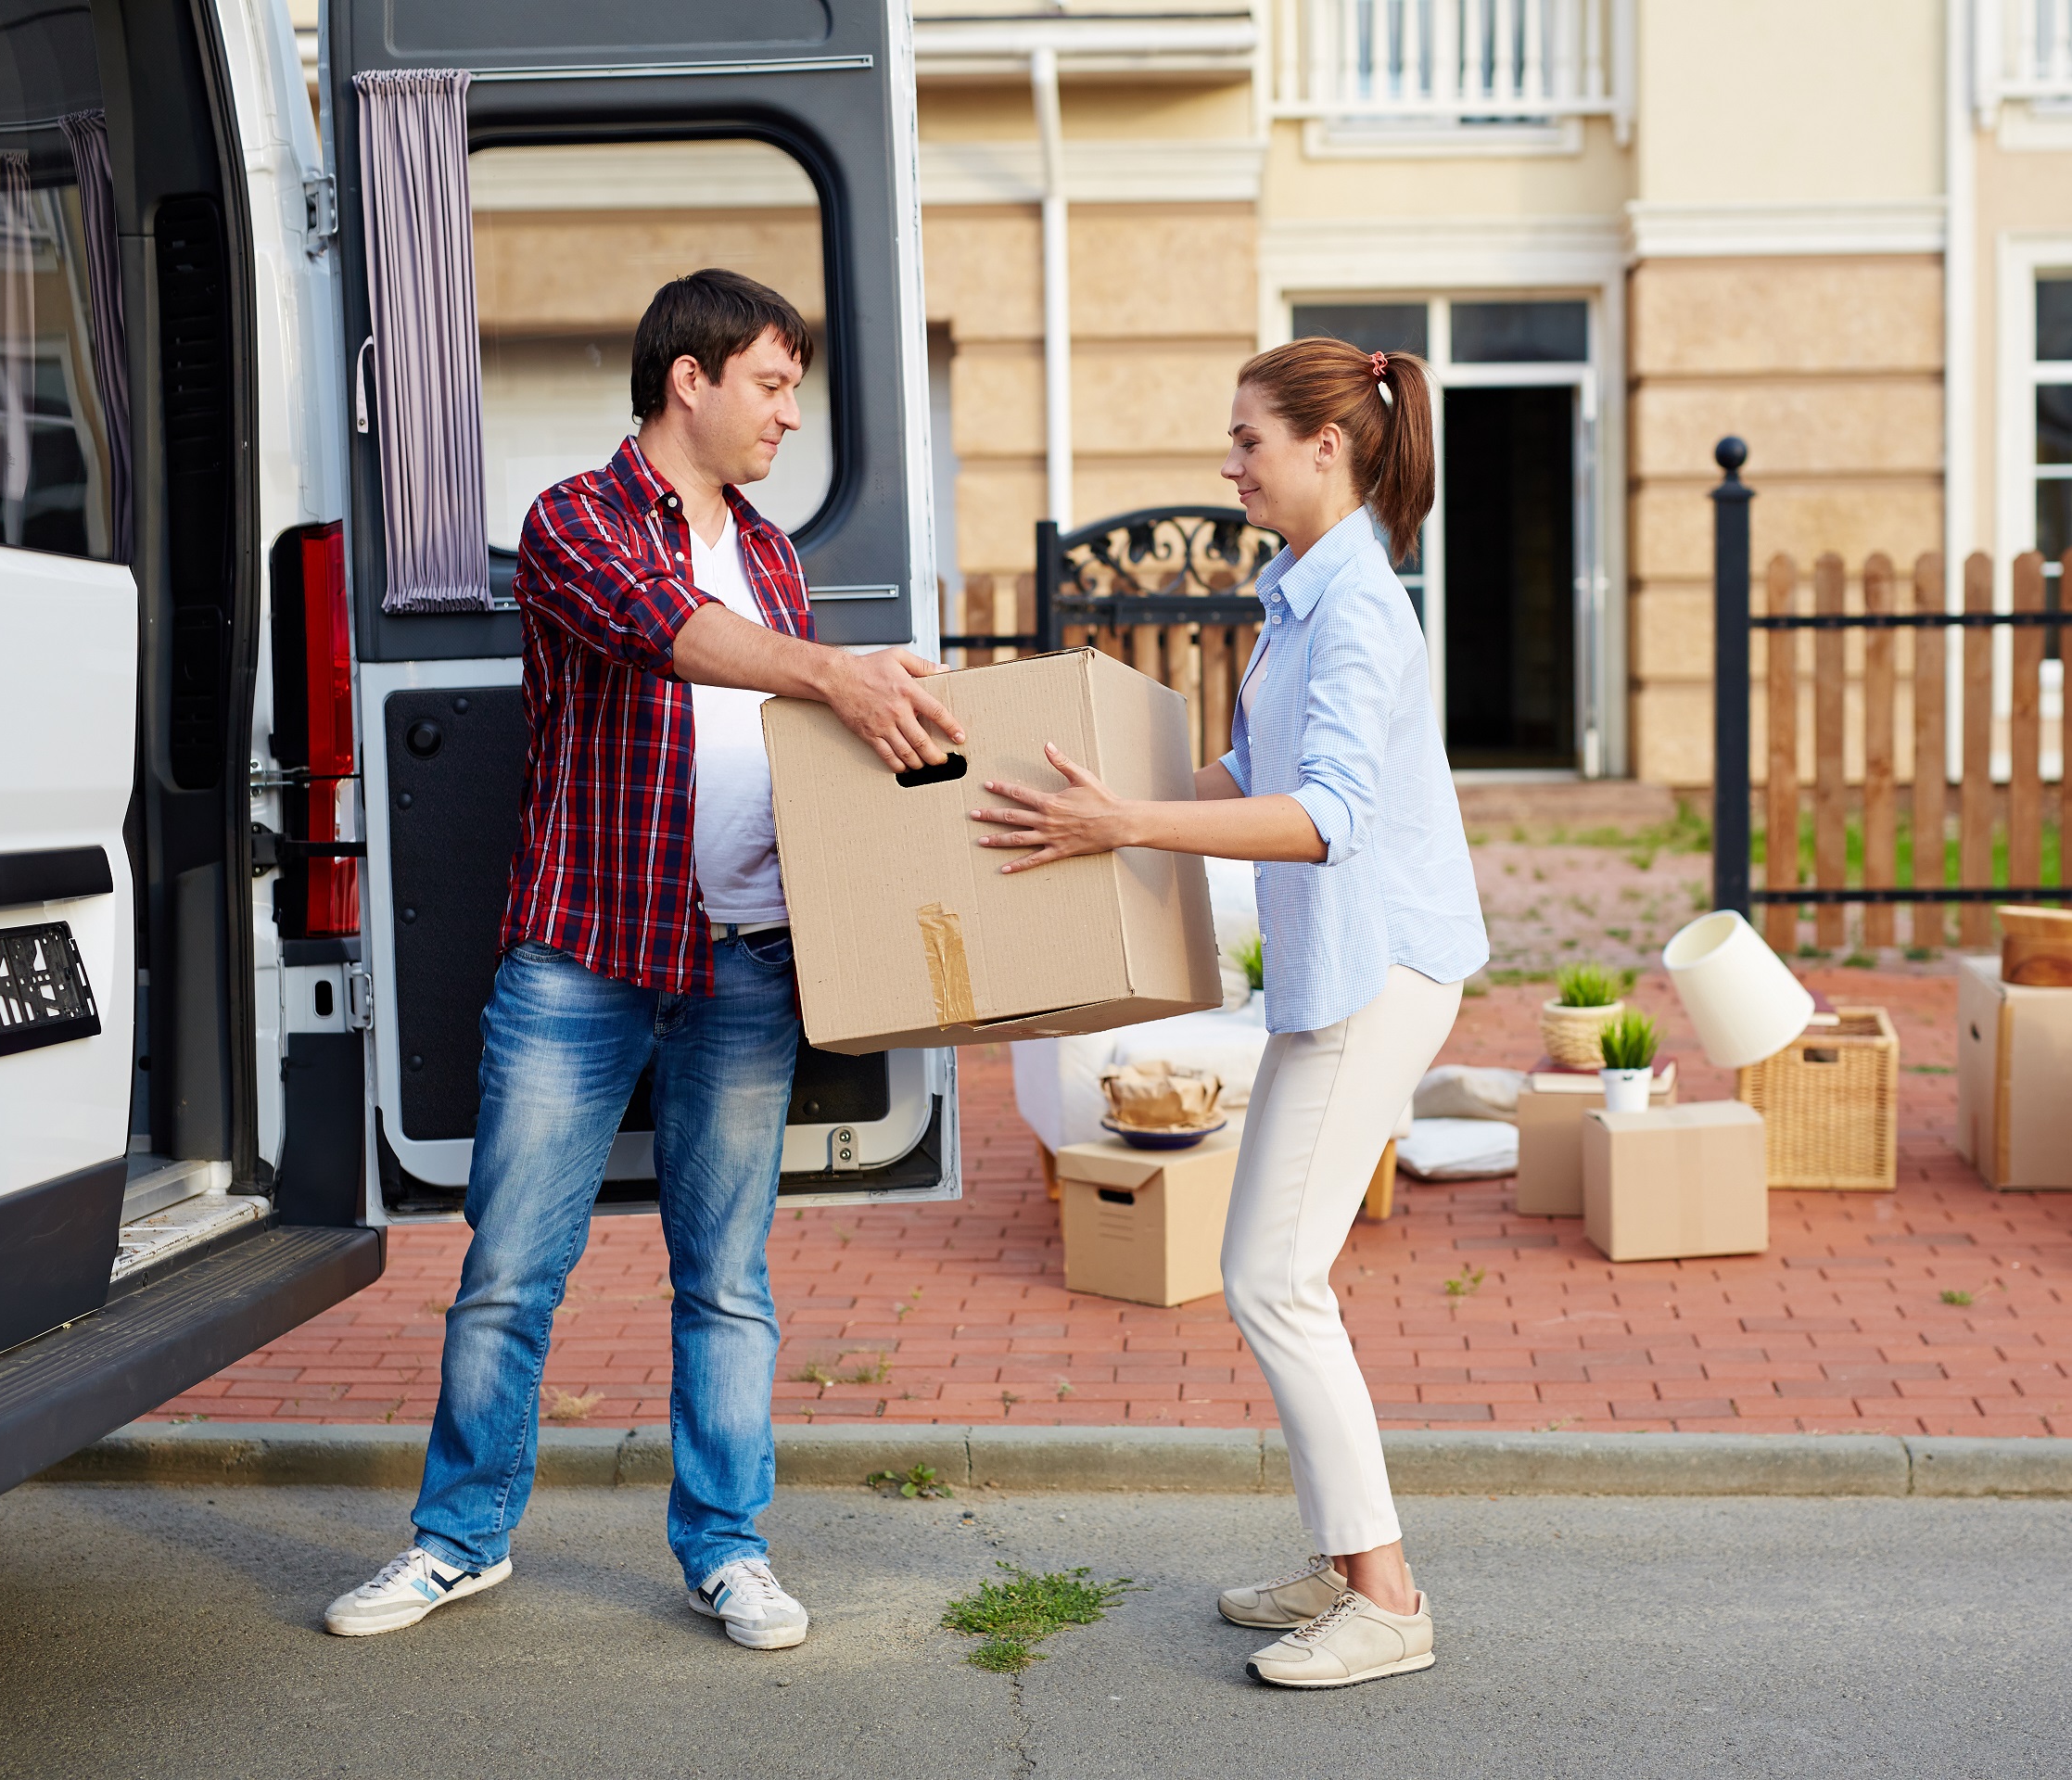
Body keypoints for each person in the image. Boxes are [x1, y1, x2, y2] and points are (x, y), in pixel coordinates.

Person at [324, 269, 961, 1646]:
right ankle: (458, 1540)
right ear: (692, 378)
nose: (791, 415)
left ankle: (728, 1549)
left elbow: (801, 740)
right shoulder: (572, 522)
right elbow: (667, 635)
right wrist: (831, 672)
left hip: (746, 967)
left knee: (726, 1280)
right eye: (774, 385)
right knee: (510, 1269)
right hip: (583, 959)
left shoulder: (778, 553)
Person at [968, 338, 1486, 1688]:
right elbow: (1245, 774)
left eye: (1249, 439)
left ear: (1330, 445)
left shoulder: (1360, 608)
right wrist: (1092, 792)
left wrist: (1127, 820)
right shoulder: (1303, 597)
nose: (1229, 462)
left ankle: (1388, 1599)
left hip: (1385, 974)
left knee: (1268, 1274)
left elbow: (1325, 818)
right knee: (1275, 1272)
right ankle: (1342, 1559)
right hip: (1343, 970)